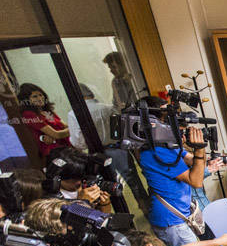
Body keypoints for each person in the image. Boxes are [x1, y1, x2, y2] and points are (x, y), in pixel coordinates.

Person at [138, 126, 211, 246]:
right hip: (172, 221)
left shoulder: (167, 148)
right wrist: (200, 149)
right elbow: (196, 180)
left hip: (176, 217)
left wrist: (193, 148)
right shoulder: (158, 153)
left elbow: (194, 161)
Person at [67, 83, 151, 216]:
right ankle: (147, 210)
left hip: (98, 155)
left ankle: (122, 216)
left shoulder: (73, 114)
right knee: (135, 183)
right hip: (119, 150)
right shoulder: (108, 108)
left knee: (109, 188)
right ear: (91, 94)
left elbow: (78, 143)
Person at [43, 147, 112, 213]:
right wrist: (82, 203)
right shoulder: (49, 201)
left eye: (80, 177)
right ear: (56, 178)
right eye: (73, 179)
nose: (79, 183)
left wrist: (105, 204)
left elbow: (103, 217)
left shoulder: (86, 186)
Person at [17, 83, 70, 160]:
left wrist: (70, 129)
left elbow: (65, 126)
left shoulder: (46, 110)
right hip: (55, 153)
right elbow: (57, 135)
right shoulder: (28, 114)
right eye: (34, 96)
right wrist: (74, 129)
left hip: (66, 147)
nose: (39, 98)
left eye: (40, 95)